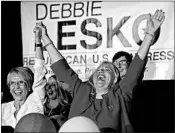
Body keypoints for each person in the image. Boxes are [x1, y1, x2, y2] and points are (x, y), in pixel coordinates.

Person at [35, 9, 165, 132]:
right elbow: (62, 68)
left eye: (107, 70)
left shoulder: (120, 95)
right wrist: (45, 37)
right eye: (99, 70)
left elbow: (135, 69)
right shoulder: (82, 89)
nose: (101, 71)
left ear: (114, 79)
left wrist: (149, 36)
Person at [1, 25, 47, 129]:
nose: (16, 87)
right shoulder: (3, 108)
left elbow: (39, 69)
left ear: (29, 85)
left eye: (21, 82)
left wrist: (37, 40)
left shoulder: (36, 100)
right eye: (12, 83)